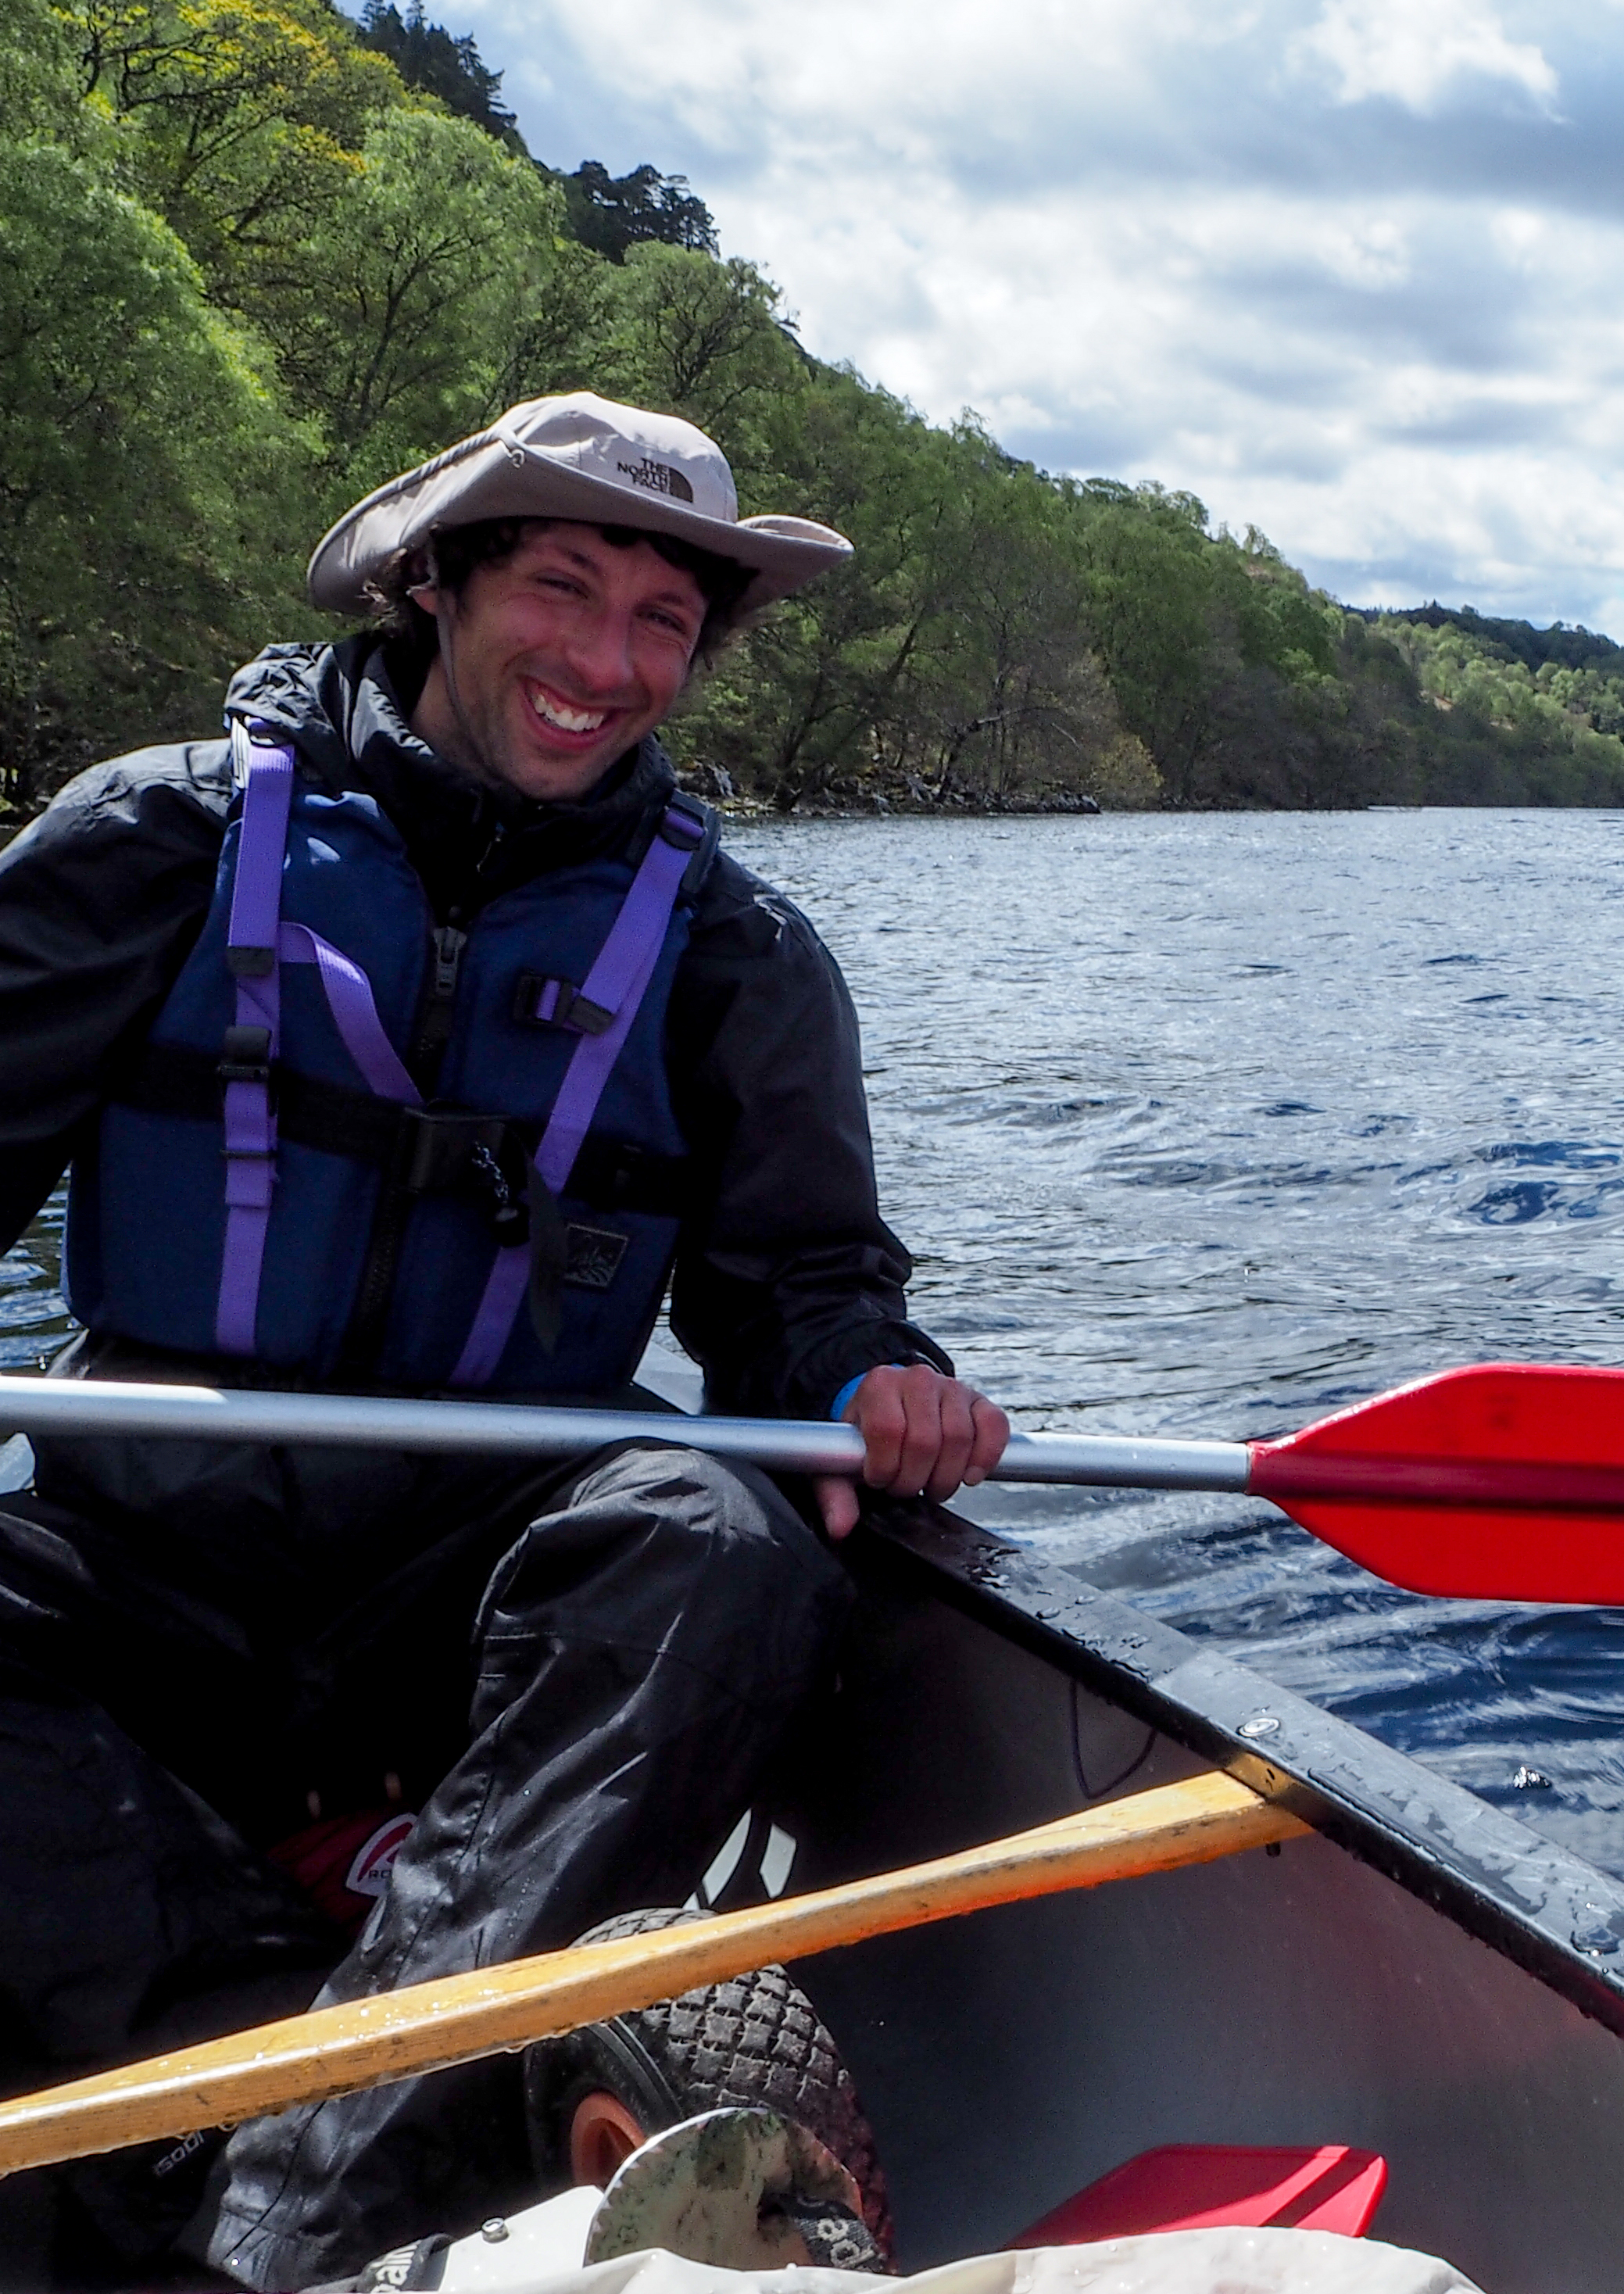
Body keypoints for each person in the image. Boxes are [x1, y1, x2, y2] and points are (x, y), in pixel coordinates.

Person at [0, 393, 1011, 2289]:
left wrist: (876, 1372)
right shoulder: (148, 841)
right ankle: (283, 2026)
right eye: (562, 588)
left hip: (466, 1613)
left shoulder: (734, 955)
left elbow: (804, 1298)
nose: (606, 663)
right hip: (147, 1572)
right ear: (433, 584)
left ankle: (273, 2221)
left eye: (663, 626)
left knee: (723, 1544)